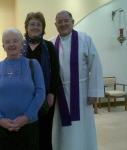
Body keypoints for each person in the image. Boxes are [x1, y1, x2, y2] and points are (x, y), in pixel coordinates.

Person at [50, 10, 104, 150]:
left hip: (81, 92)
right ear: (55, 24)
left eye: (66, 20)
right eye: (59, 22)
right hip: (59, 93)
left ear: (73, 22)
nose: (63, 24)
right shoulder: (51, 43)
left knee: (82, 128)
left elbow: (95, 64)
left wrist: (93, 91)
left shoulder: (84, 39)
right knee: (62, 129)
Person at [0, 27, 45, 150]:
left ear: (22, 44)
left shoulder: (33, 64)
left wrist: (26, 117)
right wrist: (0, 119)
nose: (11, 44)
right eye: (7, 42)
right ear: (3, 46)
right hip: (1, 128)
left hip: (28, 126)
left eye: (15, 41)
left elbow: (40, 93)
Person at [21, 12, 59, 150]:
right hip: (24, 96)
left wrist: (51, 94)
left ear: (43, 28)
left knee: (44, 131)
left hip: (45, 96)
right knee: (27, 130)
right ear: (26, 27)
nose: (35, 27)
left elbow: (55, 72)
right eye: (32, 24)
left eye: (39, 24)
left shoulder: (48, 47)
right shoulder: (20, 46)